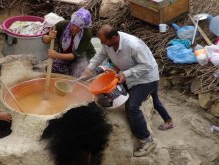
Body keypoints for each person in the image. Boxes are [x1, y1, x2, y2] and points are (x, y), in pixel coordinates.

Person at [82, 25, 173, 157]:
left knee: (131, 106)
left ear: (114, 37)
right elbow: (100, 55)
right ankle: (165, 117)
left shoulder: (133, 45)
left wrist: (127, 73)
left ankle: (147, 140)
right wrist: (89, 69)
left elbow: (147, 65)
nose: (102, 44)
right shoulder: (107, 44)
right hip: (129, 74)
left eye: (104, 41)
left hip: (147, 78)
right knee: (153, 98)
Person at [42, 8, 96, 77]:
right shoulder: (61, 25)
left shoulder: (86, 33)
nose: (74, 28)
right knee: (51, 68)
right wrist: (49, 37)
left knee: (79, 75)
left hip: (83, 56)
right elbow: (44, 39)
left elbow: (76, 55)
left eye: (79, 27)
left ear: (84, 27)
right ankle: (67, 72)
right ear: (71, 21)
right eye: (73, 24)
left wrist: (57, 55)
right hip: (65, 55)